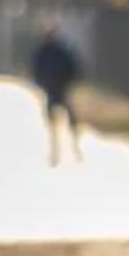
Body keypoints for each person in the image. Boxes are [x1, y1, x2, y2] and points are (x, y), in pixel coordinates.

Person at [30, 19, 84, 161]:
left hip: (61, 88)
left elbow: (73, 68)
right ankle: (56, 151)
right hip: (52, 89)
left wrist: (69, 82)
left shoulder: (61, 51)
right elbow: (36, 70)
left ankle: (75, 148)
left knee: (69, 120)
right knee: (53, 121)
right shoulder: (44, 52)